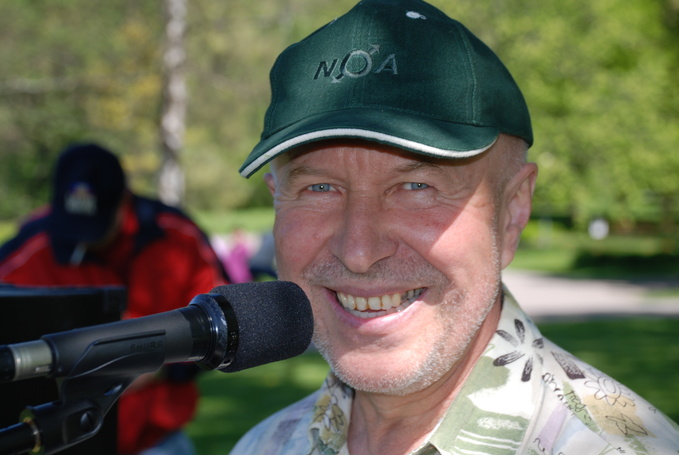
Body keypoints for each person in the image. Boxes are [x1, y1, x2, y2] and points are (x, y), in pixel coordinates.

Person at [230, 0, 679, 454]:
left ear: (512, 212)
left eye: (416, 186)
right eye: (320, 188)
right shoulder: (265, 445)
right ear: (276, 199)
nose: (358, 251)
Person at [0, 143, 230, 455]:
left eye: (97, 225)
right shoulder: (30, 250)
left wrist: (158, 364)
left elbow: (226, 322)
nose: (85, 239)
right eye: (74, 225)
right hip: (61, 441)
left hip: (156, 441)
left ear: (124, 200)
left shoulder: (176, 237)